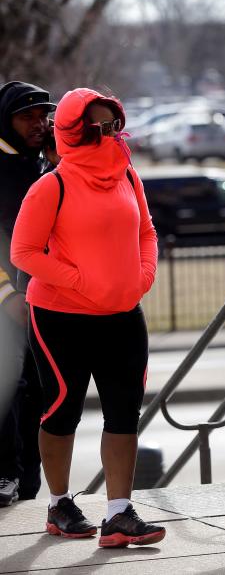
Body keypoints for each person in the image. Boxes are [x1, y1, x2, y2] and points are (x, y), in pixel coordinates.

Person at [11, 88, 165, 547]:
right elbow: (23, 252)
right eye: (101, 127)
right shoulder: (51, 185)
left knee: (124, 415)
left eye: (116, 124)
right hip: (61, 317)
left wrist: (142, 275)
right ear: (76, 132)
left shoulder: (127, 176)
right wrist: (81, 281)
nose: (114, 135)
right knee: (62, 412)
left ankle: (118, 513)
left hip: (123, 313)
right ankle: (59, 504)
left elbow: (147, 231)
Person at [0, 81, 53, 507]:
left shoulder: (46, 165)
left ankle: (31, 484)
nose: (38, 124)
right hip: (7, 303)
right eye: (27, 116)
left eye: (43, 116)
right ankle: (4, 475)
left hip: (46, 298)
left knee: (40, 392)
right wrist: (6, 292)